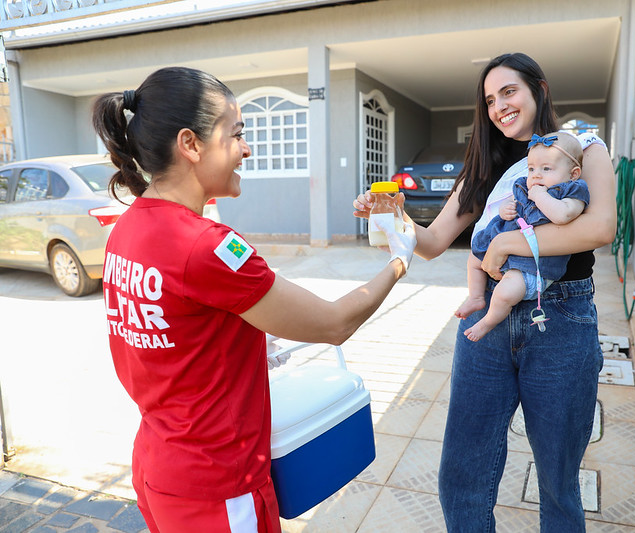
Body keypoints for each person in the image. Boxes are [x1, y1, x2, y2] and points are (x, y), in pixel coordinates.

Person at [93, 66, 415, 533]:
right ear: (191, 144)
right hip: (219, 483)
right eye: (236, 134)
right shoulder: (207, 246)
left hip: (159, 466)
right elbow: (332, 324)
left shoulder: (128, 228)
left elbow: (173, 331)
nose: (247, 148)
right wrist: (399, 261)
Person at [353, 52, 616, 532]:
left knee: (559, 480)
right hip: (485, 325)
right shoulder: (485, 164)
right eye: (490, 100)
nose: (499, 107)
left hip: (561, 318)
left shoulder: (581, 147)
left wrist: (507, 242)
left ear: (539, 88)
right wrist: (392, 210)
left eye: (509, 92)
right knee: (463, 474)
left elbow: (599, 228)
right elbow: (432, 242)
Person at [456, 131, 588, 341]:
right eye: (531, 168)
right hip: (507, 248)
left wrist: (540, 196)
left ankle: (488, 322)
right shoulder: (524, 186)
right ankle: (476, 296)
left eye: (546, 169)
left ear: (573, 173)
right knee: (473, 259)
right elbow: (516, 208)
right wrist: (505, 210)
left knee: (504, 292)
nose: (536, 175)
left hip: (532, 265)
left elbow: (563, 215)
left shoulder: (572, 191)